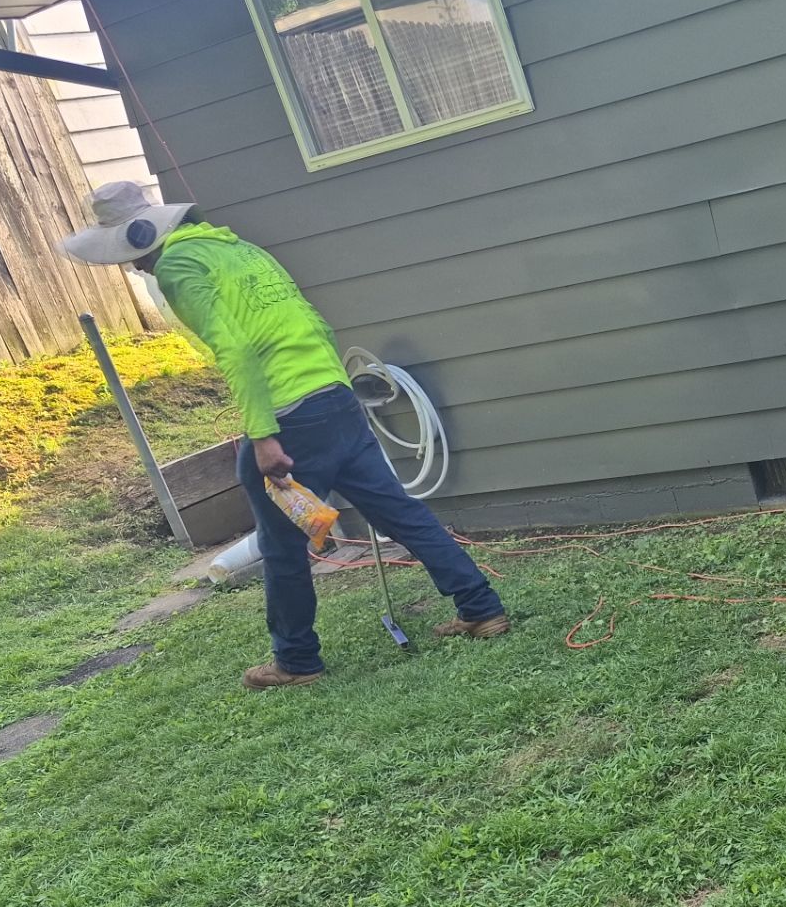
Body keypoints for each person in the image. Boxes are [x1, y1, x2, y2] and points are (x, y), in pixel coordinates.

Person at [61, 181, 507, 689]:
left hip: (289, 418)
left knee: (281, 545)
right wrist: (333, 389)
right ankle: (480, 607)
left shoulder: (180, 269)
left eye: (129, 255)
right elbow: (310, 319)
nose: (133, 267)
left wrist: (264, 434)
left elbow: (236, 352)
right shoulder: (240, 250)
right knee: (401, 513)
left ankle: (296, 661)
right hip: (336, 398)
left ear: (144, 241)